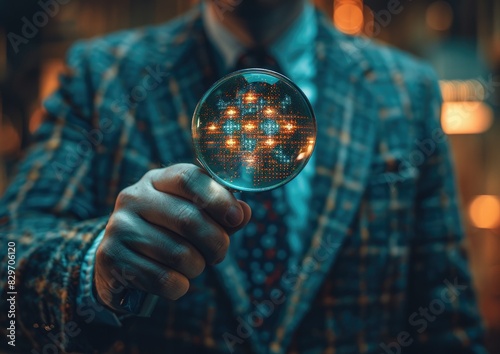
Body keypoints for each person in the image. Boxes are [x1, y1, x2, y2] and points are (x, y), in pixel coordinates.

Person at [0, 0, 488, 353]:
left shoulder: (407, 90)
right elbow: (11, 262)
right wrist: (94, 269)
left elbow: (447, 317)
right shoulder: (101, 75)